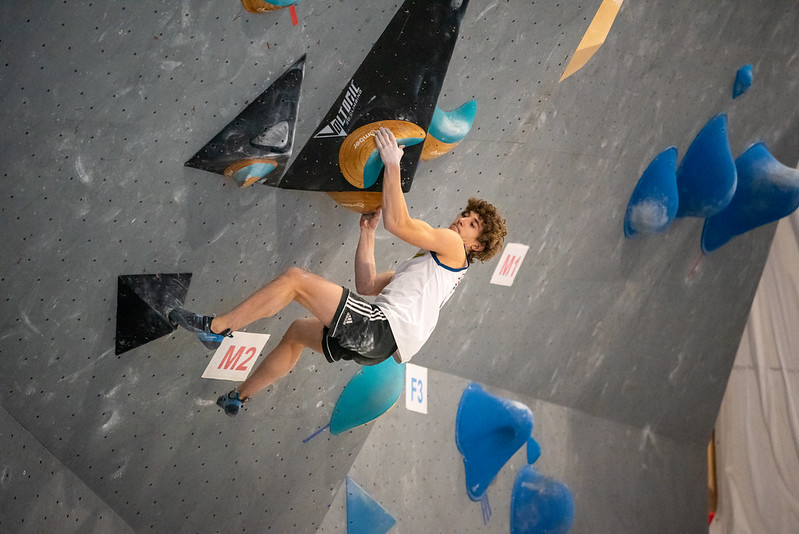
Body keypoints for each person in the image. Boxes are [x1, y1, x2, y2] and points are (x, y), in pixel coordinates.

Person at [169, 127, 507, 416]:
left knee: (295, 281)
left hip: (380, 330)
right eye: (466, 214)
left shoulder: (451, 245)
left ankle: (216, 328)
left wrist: (392, 164)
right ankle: (238, 398)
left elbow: (399, 222)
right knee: (298, 333)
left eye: (472, 224)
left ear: (476, 246)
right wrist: (367, 234)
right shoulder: (436, 273)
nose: (462, 220)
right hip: (379, 347)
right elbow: (368, 283)